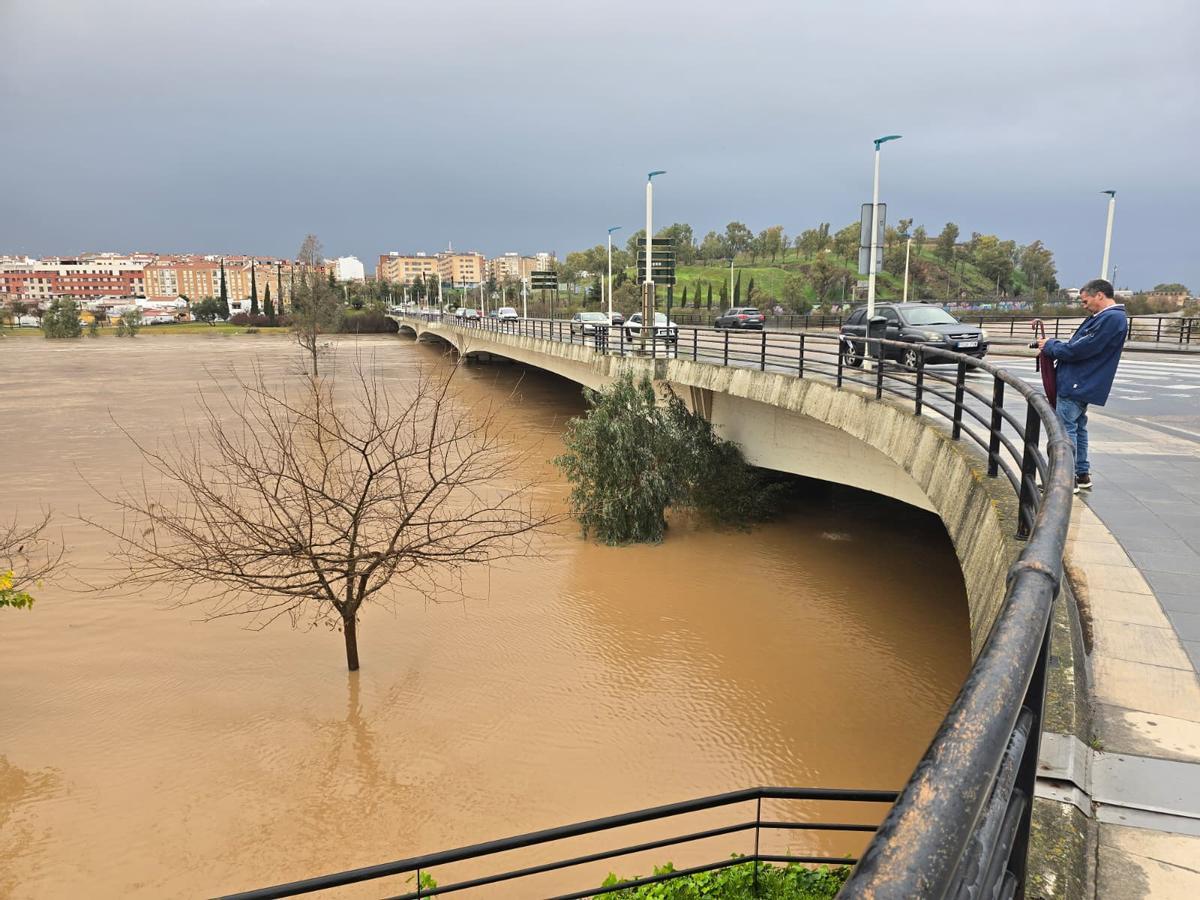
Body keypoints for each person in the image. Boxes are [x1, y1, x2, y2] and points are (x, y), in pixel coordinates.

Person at [1035, 279, 1127, 494]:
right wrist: (1057, 345)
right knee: (1077, 427)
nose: (1084, 305)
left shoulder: (1110, 319)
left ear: (1100, 296)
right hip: (1084, 382)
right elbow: (1078, 346)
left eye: (1086, 301)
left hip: (1077, 382)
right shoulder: (1108, 318)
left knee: (1065, 431)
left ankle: (1066, 479)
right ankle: (1081, 474)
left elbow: (1078, 350)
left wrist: (1050, 345)